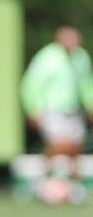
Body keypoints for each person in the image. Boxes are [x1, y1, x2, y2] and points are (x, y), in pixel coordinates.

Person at [21, 25, 93, 204]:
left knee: (75, 149)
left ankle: (74, 187)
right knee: (58, 147)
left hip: (73, 109)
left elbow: (86, 83)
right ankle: (44, 182)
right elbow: (31, 83)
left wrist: (90, 104)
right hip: (51, 109)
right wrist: (32, 107)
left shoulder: (81, 57)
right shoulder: (47, 57)